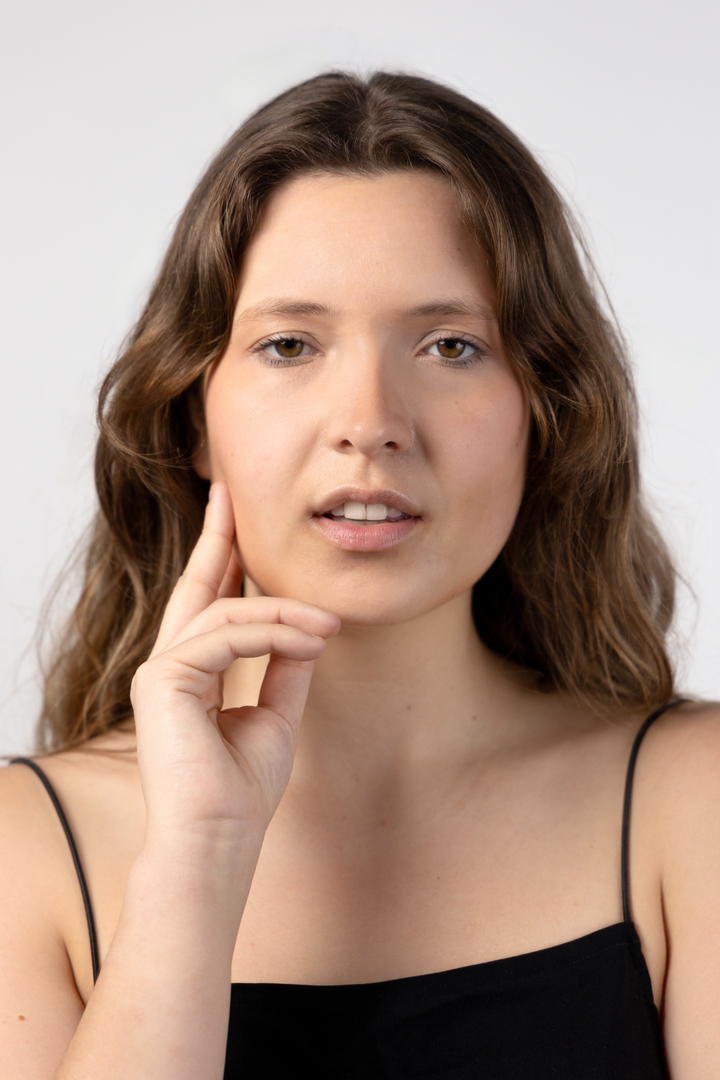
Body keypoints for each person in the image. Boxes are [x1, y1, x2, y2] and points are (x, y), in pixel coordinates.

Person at [1, 70, 718, 1080]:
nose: (371, 421)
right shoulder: (25, 849)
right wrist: (197, 855)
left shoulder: (695, 799)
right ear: (193, 417)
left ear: (546, 412)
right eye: (290, 344)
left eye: (451, 345)